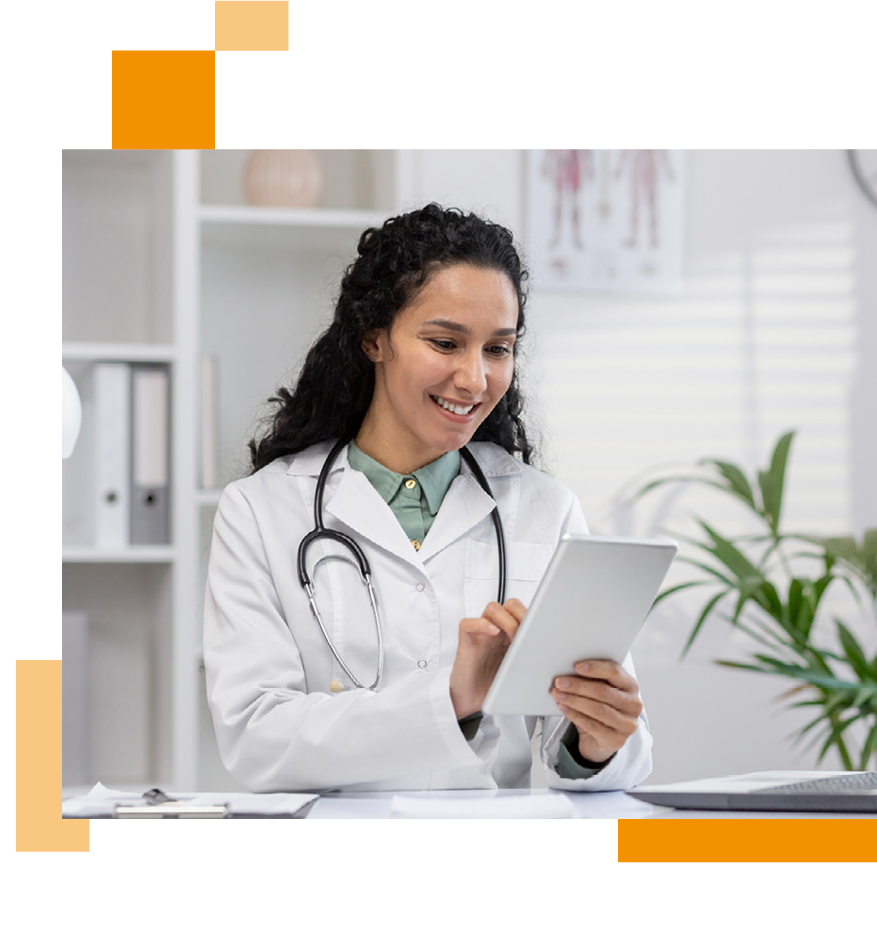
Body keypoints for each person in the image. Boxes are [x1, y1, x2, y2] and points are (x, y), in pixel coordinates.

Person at [203, 203, 652, 792]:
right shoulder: (260, 511)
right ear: (373, 339)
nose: (474, 379)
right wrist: (450, 698)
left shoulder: (546, 510)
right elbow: (254, 739)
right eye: (445, 343)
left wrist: (594, 744)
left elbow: (587, 746)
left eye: (498, 349)